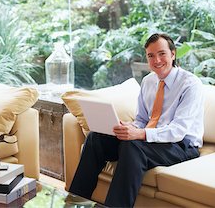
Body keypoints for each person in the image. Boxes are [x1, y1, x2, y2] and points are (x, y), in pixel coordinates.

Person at [69, 33, 204, 207]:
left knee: (132, 145)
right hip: (152, 140)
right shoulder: (148, 81)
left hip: (182, 145)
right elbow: (141, 119)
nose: (157, 60)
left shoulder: (190, 84)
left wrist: (139, 133)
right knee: (96, 138)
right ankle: (75, 202)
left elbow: (178, 131)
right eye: (151, 55)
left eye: (162, 53)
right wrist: (129, 128)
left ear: (173, 54)